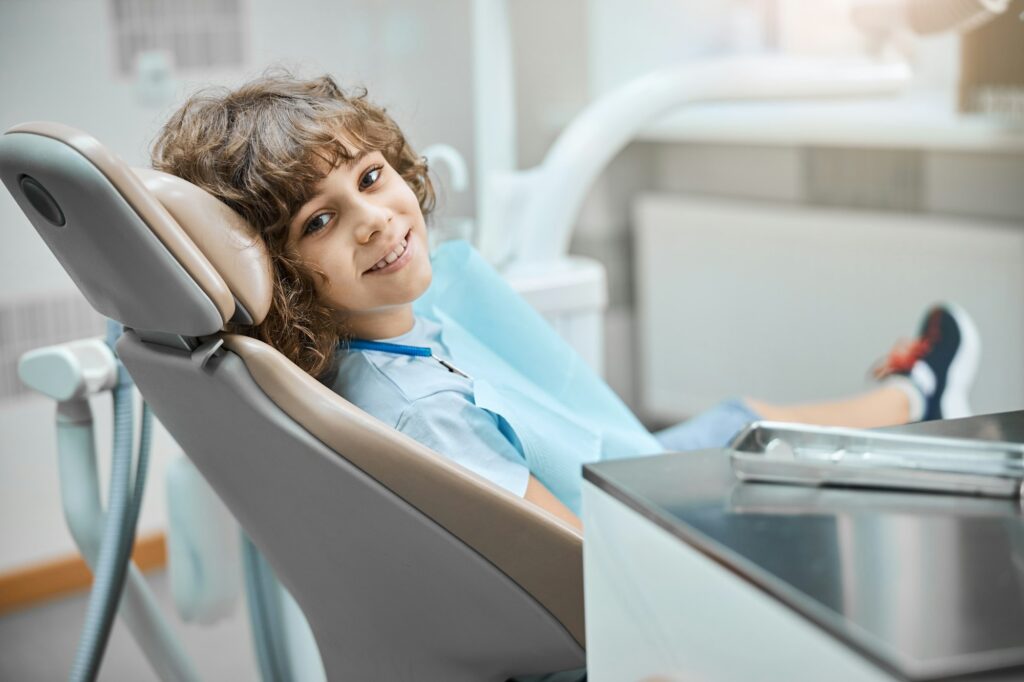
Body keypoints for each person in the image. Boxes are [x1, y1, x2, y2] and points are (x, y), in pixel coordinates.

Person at [151, 72, 981, 532]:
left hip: (615, 495)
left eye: (372, 177)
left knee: (736, 416)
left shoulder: (371, 351)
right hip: (638, 553)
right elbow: (579, 563)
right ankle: (917, 398)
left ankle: (915, 396)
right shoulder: (421, 415)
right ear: (283, 272)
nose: (376, 220)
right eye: (322, 220)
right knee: (759, 449)